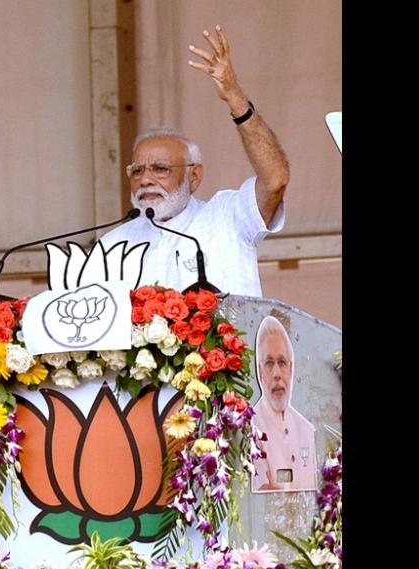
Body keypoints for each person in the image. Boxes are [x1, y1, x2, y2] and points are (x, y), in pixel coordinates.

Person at [99, 25, 290, 297]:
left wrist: (234, 97)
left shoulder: (227, 217)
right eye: (137, 171)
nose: (144, 179)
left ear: (194, 176)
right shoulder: (112, 246)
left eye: (160, 169)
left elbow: (275, 180)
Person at [251, 315, 318, 492]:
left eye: (282, 363)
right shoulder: (251, 426)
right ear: (259, 371)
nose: (277, 374)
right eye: (269, 364)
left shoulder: (306, 430)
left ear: (291, 367)